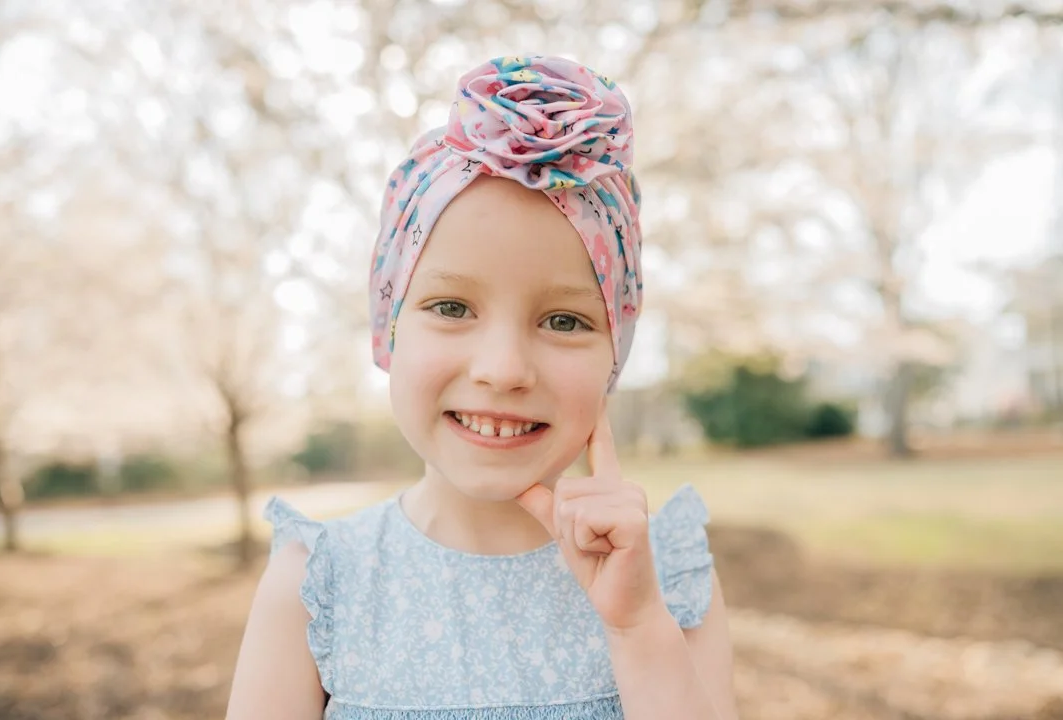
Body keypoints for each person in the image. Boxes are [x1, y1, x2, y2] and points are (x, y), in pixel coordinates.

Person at [226, 54, 737, 720]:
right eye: (451, 308)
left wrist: (637, 630)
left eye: (562, 320)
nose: (503, 368)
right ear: (389, 327)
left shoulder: (665, 577)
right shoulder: (319, 584)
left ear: (616, 351)